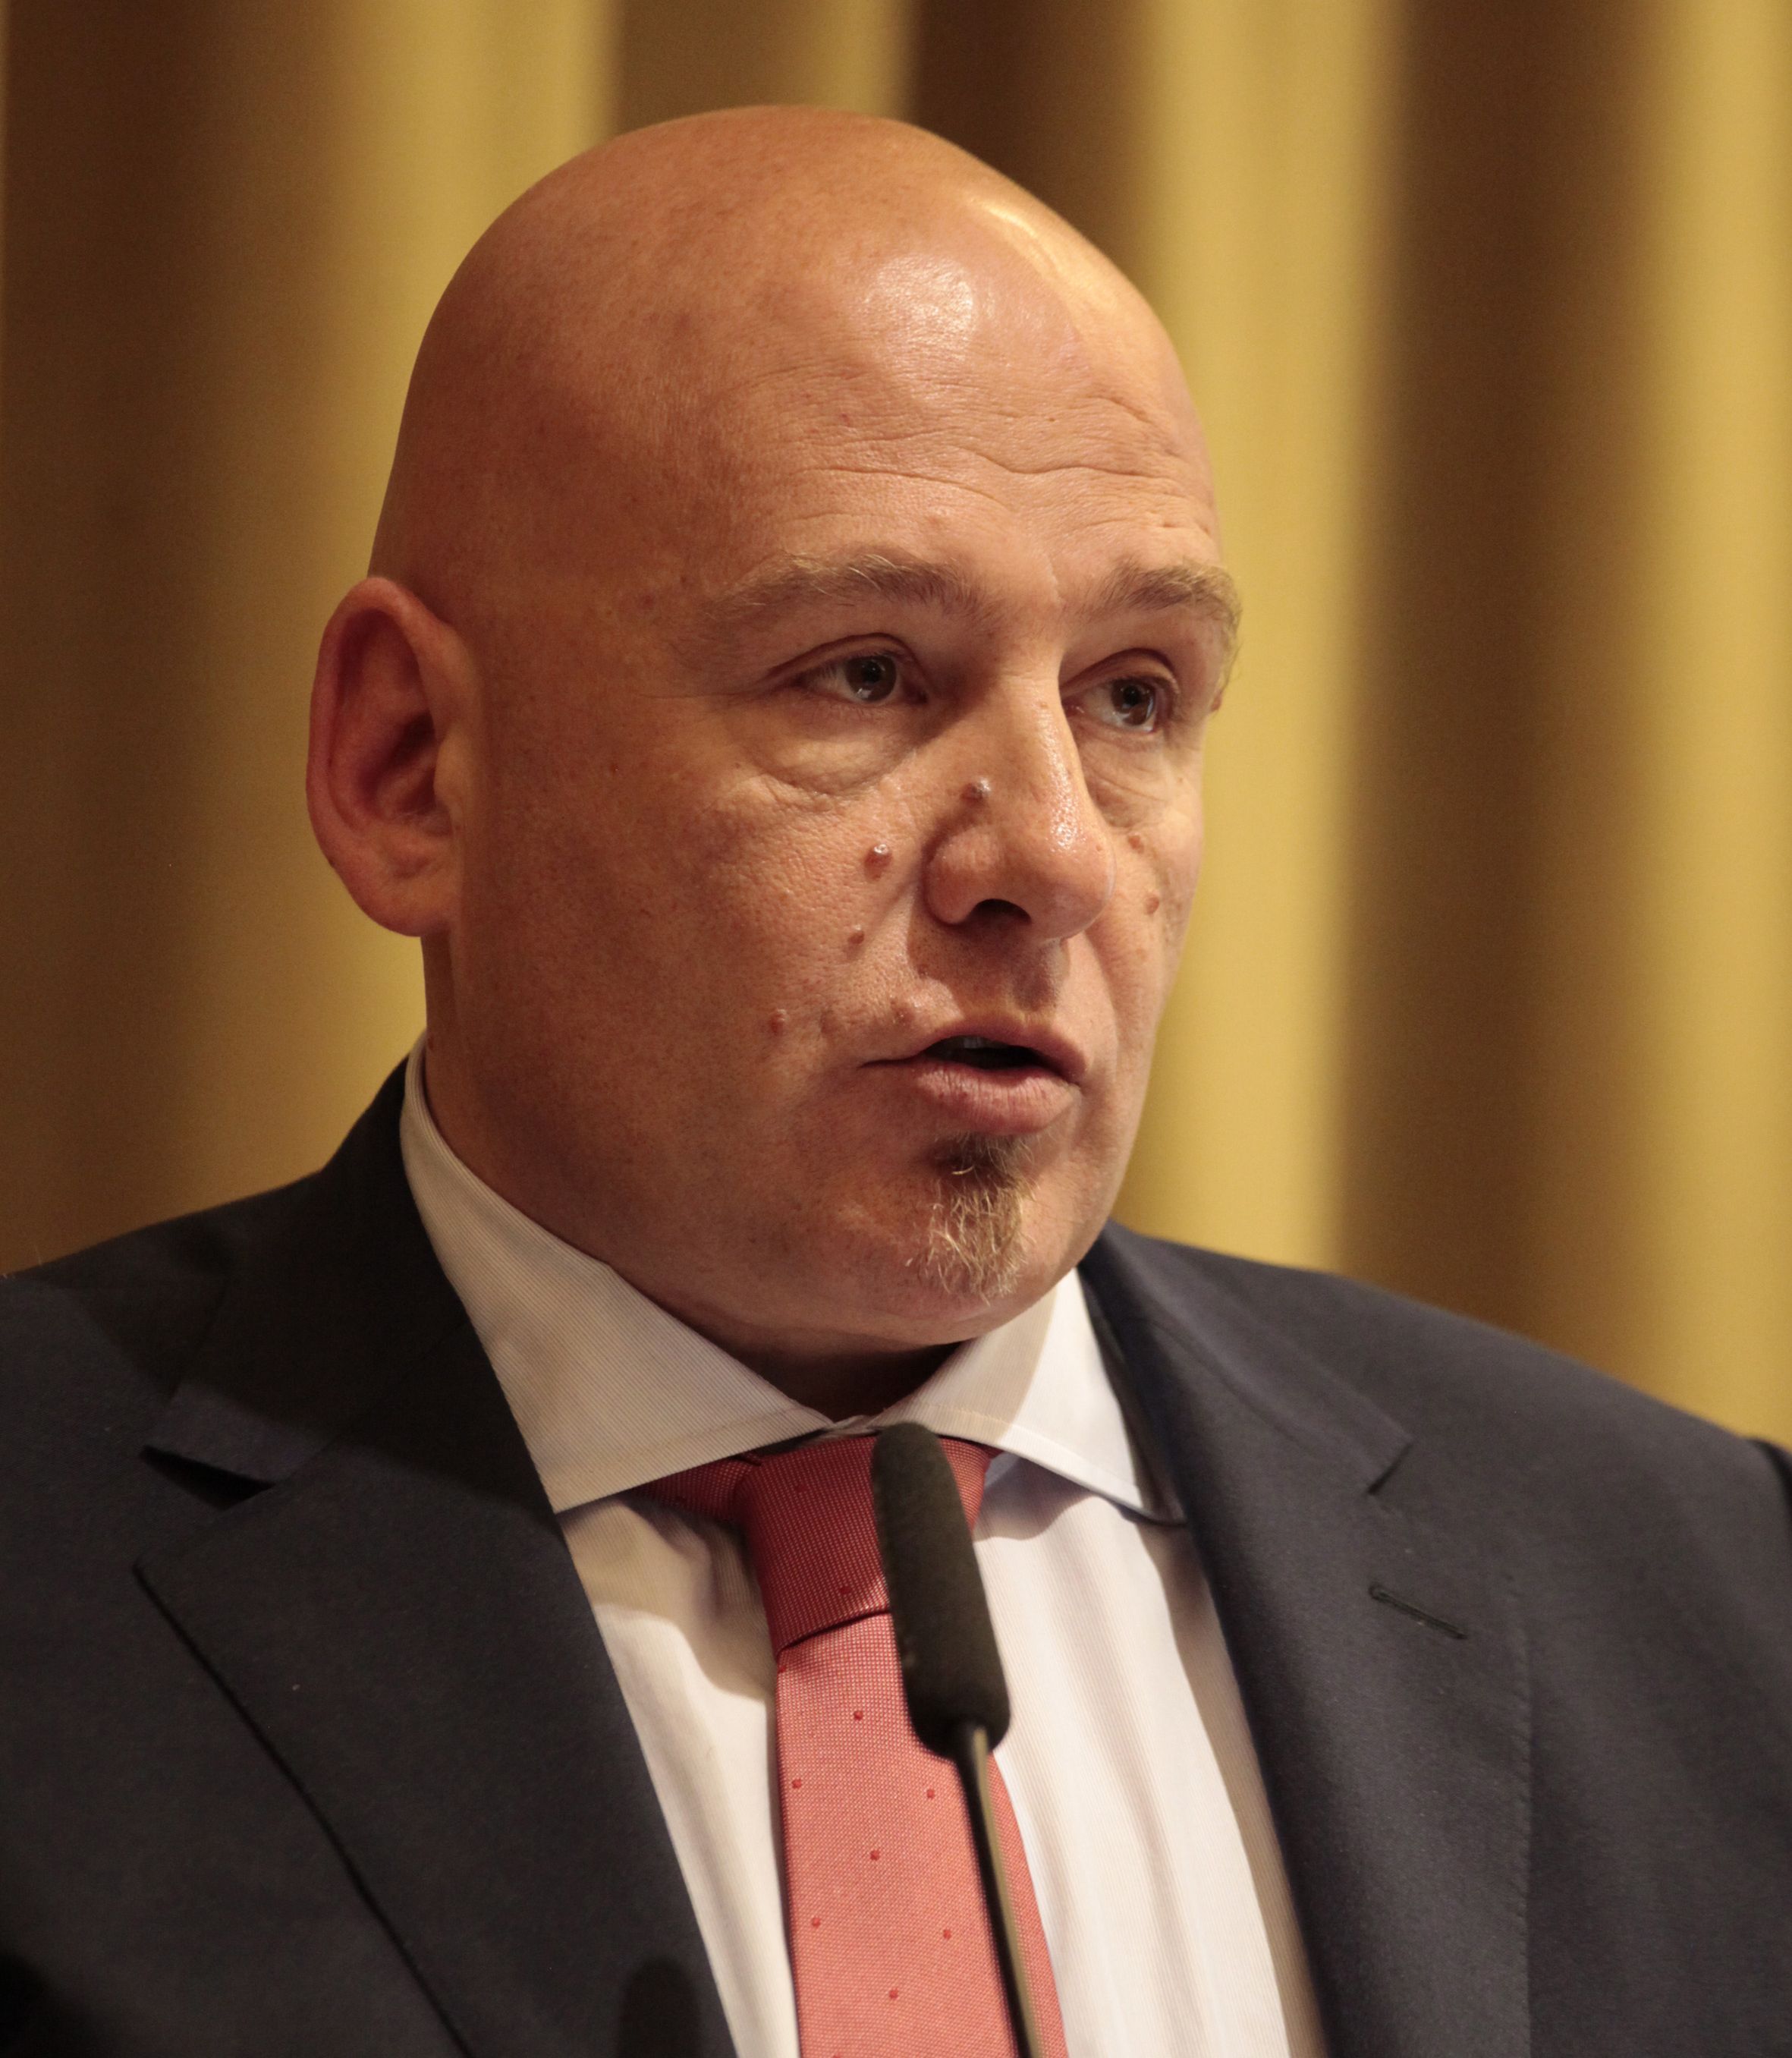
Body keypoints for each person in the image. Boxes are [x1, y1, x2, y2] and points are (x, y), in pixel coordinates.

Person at [2, 106, 1789, 2058]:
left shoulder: (1703, 1595)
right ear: (412, 766)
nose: (1053, 854)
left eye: (1133, 696)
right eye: (864, 673)